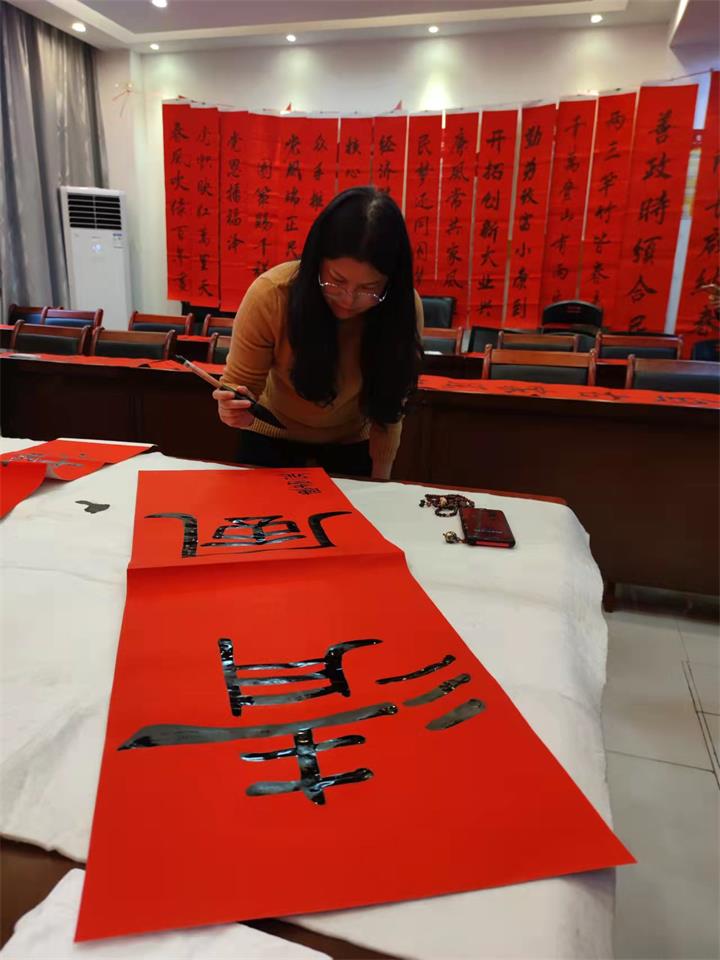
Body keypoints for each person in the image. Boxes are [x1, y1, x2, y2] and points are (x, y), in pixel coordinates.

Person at [215, 187, 424, 480]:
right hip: (270, 438)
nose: (349, 299)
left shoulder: (402, 308)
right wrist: (232, 408)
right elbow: (240, 388)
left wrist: (380, 481)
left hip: (352, 445)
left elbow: (389, 407)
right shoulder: (272, 295)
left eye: (369, 288)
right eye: (336, 281)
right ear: (316, 261)